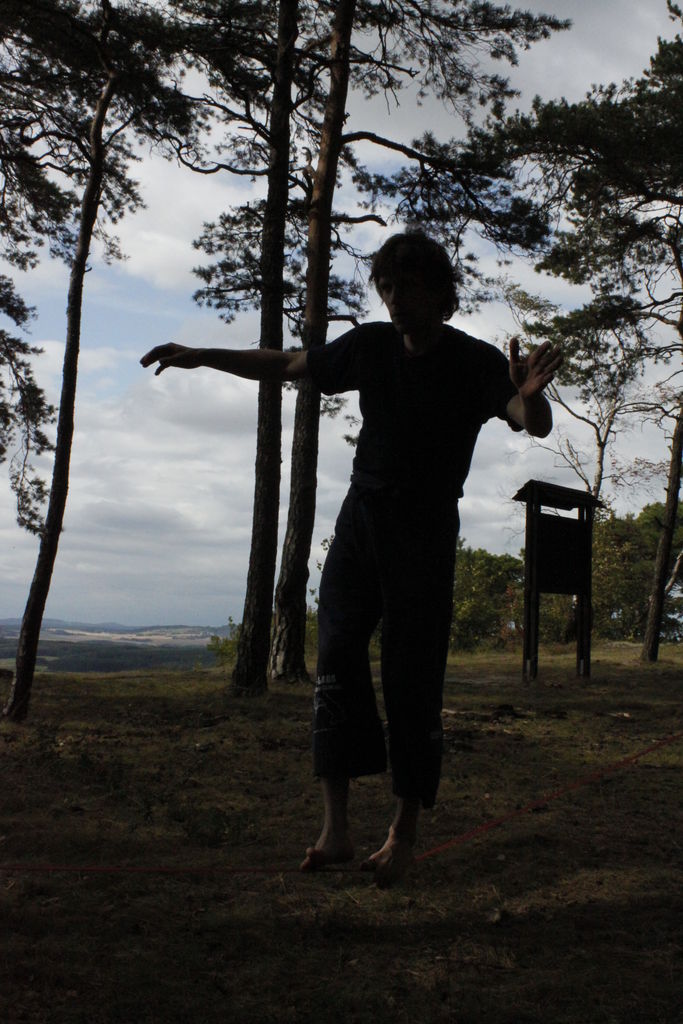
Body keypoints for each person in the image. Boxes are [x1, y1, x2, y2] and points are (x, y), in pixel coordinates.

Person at [141, 230, 561, 888]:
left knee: (410, 676)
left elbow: (524, 417)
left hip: (422, 530)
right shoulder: (368, 346)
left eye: (407, 287)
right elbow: (286, 365)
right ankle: (335, 829)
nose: (394, 300)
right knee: (335, 655)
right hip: (361, 520)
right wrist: (200, 355)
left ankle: (402, 832)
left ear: (438, 291)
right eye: (386, 288)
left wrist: (529, 396)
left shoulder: (474, 362)